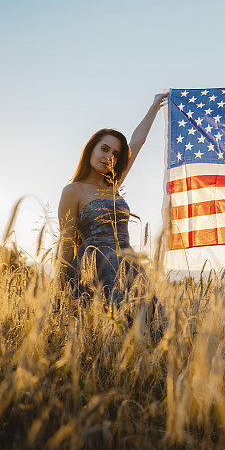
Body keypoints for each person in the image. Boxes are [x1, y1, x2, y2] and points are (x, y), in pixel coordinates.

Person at [57, 91, 169, 305]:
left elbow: (137, 142)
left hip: (129, 269)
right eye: (105, 149)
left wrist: (155, 106)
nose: (109, 157)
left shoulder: (113, 185)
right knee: (99, 331)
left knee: (142, 330)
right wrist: (60, 295)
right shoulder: (73, 191)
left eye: (115, 154)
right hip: (93, 271)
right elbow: (66, 245)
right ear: (91, 149)